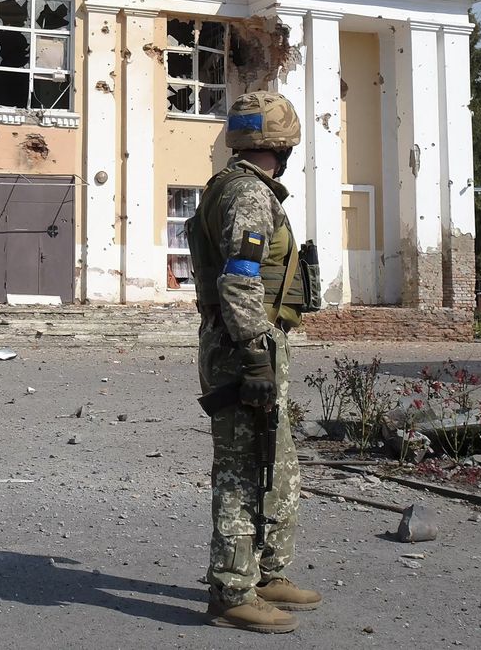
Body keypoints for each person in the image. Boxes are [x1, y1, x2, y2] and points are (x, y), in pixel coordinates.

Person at [187, 91, 321, 634]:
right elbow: (240, 280)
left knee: (276, 459)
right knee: (243, 468)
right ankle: (231, 589)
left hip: (255, 341)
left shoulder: (240, 188)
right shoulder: (248, 195)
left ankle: (265, 572)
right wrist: (254, 354)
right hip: (246, 346)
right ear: (282, 144)